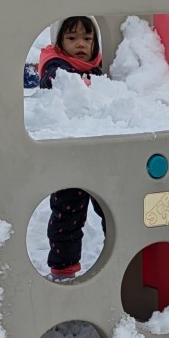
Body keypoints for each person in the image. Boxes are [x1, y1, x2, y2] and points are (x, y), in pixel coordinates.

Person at [38, 16, 106, 280]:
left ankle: (121, 257)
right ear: (59, 42)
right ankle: (63, 269)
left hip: (100, 156)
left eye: (87, 39)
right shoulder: (54, 66)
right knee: (67, 214)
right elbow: (56, 83)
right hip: (69, 156)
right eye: (72, 38)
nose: (81, 44)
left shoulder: (97, 68)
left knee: (111, 209)